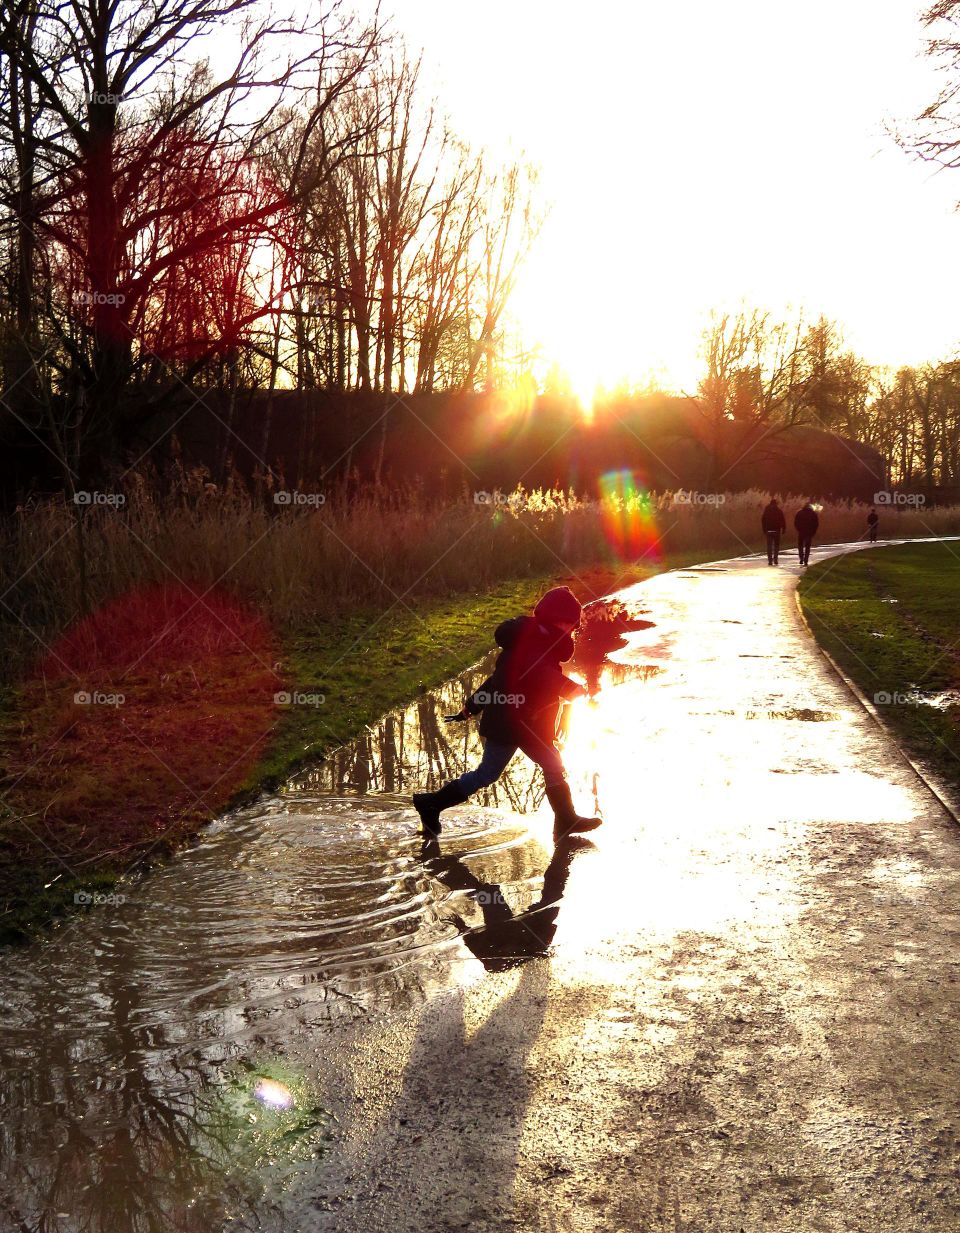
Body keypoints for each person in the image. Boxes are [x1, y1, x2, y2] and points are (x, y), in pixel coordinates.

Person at [413, 586, 600, 841]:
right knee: (519, 769)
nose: (573, 630)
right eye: (571, 624)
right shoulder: (537, 643)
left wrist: (471, 707)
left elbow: (496, 680)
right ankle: (431, 804)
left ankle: (565, 819)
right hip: (516, 723)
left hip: (520, 721)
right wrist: (577, 691)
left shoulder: (532, 639)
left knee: (519, 769)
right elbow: (543, 676)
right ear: (560, 620)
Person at [761, 496, 786, 565]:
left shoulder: (766, 511)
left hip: (768, 531)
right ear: (776, 504)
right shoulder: (779, 511)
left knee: (769, 546)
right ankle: (775, 559)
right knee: (776, 546)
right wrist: (783, 529)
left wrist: (764, 529)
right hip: (776, 531)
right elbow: (783, 520)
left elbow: (763, 520)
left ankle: (770, 560)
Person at [794, 501, 819, 566]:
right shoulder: (813, 514)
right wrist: (813, 532)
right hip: (809, 533)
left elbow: (796, 523)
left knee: (800, 546)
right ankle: (806, 560)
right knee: (807, 547)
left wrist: (798, 529)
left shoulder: (799, 513)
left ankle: (801, 558)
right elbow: (816, 524)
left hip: (801, 532)